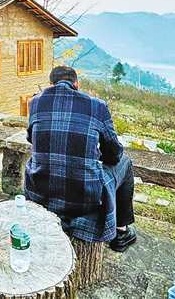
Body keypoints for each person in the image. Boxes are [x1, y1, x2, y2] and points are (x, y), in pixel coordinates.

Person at [24, 66, 137, 252]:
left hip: (39, 192)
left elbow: (31, 138)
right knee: (125, 161)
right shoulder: (97, 106)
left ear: (51, 84)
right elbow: (114, 153)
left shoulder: (35, 102)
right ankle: (121, 232)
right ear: (76, 84)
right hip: (85, 197)